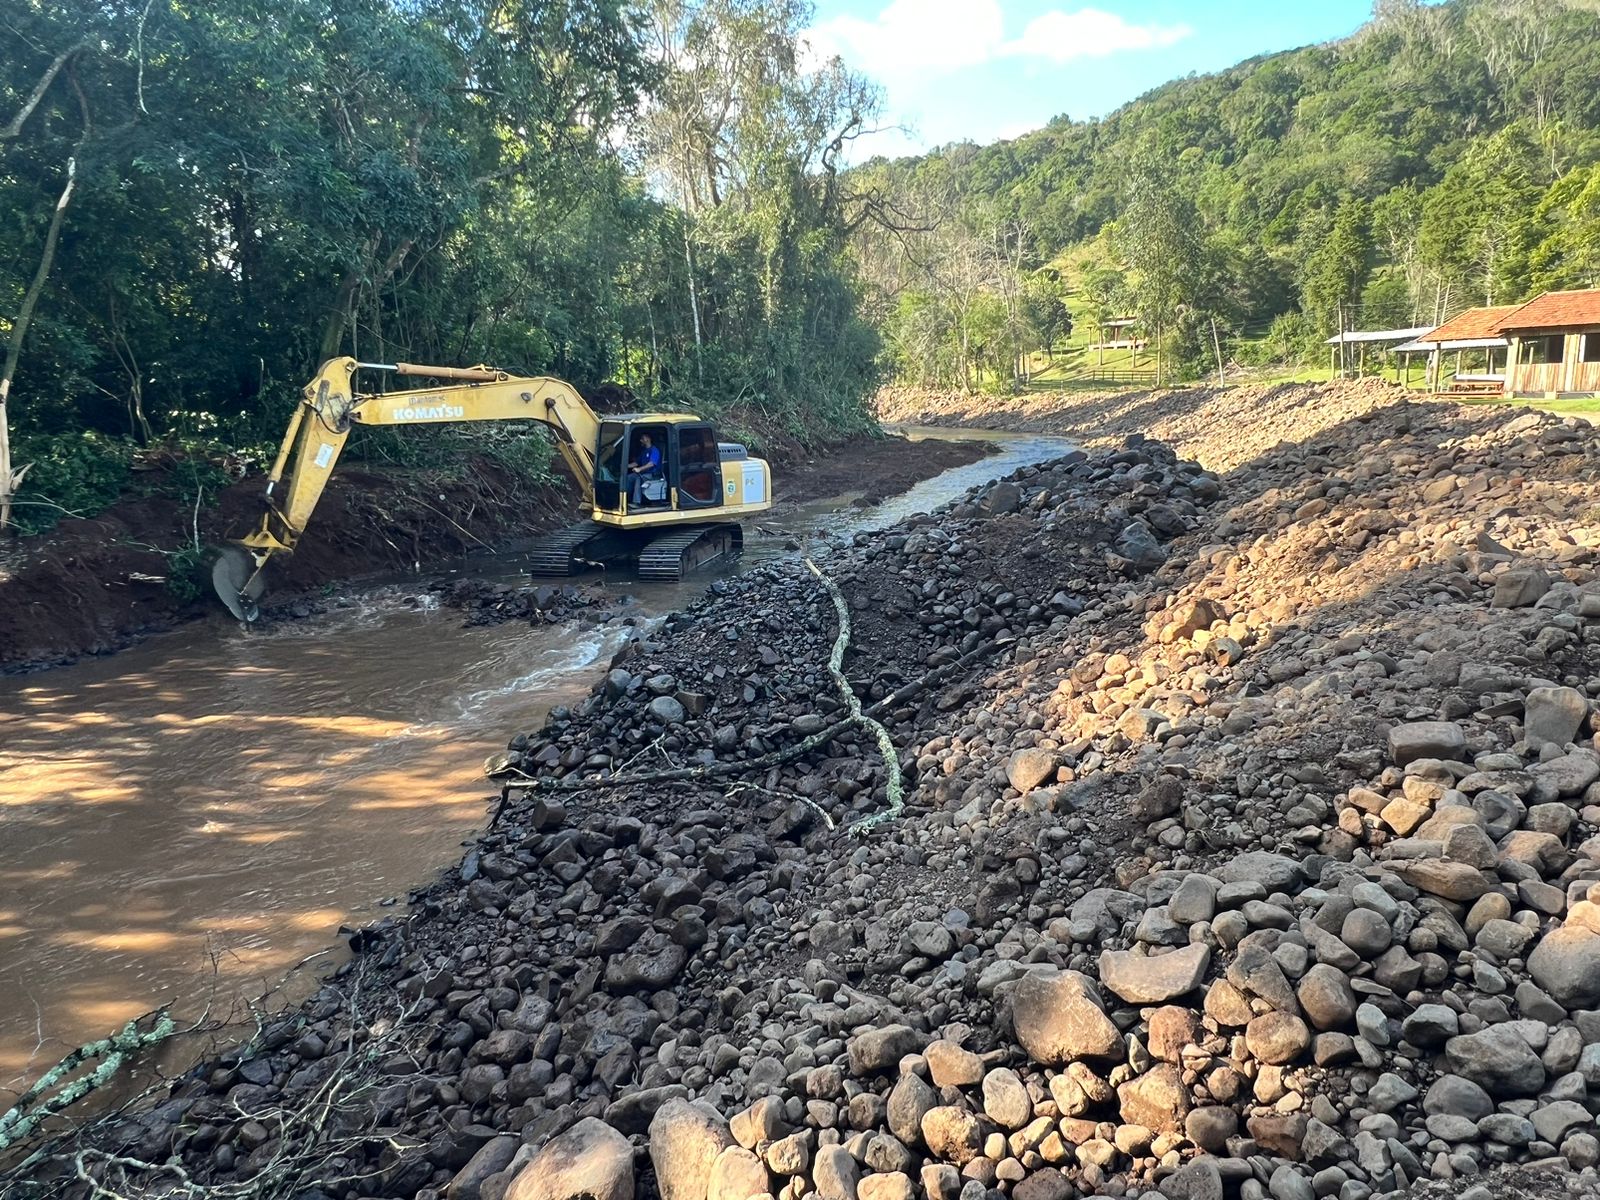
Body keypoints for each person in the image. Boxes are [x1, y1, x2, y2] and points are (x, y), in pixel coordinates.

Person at [627, 432, 663, 506]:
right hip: (644, 473)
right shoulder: (644, 451)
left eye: (642, 438)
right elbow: (637, 463)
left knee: (638, 478)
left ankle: (636, 502)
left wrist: (639, 469)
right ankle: (626, 498)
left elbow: (651, 464)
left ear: (648, 439)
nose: (641, 440)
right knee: (629, 477)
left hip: (652, 474)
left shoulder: (654, 450)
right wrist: (625, 466)